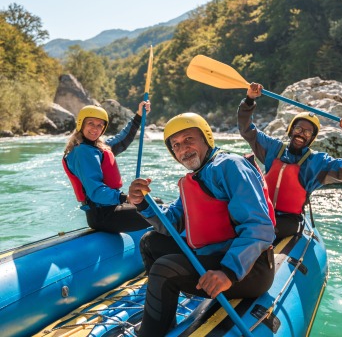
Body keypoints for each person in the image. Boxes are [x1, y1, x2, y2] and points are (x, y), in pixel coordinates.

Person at [128, 113, 275, 337]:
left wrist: (228, 272)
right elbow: (172, 224)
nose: (183, 149)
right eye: (176, 145)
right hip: (212, 256)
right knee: (151, 242)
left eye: (189, 139)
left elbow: (259, 226)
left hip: (249, 269)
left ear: (206, 138)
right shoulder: (195, 177)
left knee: (164, 269)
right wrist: (142, 204)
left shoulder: (230, 166)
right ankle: (162, 318)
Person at [238, 82, 342, 240]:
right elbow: (246, 129)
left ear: (312, 138)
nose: (301, 134)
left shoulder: (317, 162)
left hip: (288, 220)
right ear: (291, 131)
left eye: (307, 132)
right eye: (298, 129)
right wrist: (249, 99)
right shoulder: (273, 148)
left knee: (261, 231)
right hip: (262, 212)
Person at [63, 103, 151, 232]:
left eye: (100, 125)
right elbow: (96, 192)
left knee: (155, 202)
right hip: (103, 215)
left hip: (110, 208)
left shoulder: (97, 148)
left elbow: (122, 139)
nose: (95, 129)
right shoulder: (82, 152)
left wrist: (139, 116)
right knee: (156, 210)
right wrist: (125, 197)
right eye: (91, 123)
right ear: (81, 124)